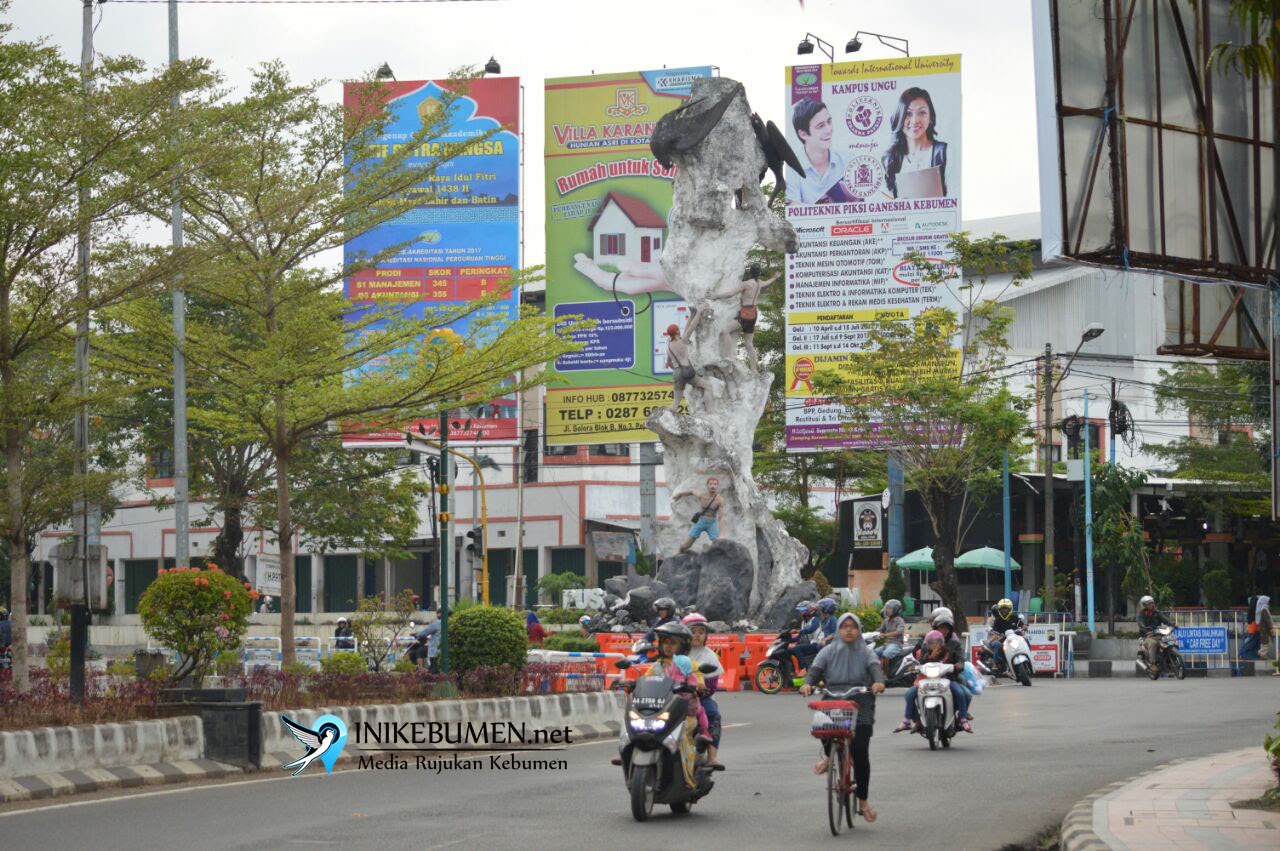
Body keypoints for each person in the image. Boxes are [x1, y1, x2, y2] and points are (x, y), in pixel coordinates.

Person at [799, 613, 885, 824]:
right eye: (844, 626)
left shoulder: (866, 652)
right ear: (838, 629)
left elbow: (876, 670)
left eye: (853, 627)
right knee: (823, 728)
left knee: (859, 750)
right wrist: (808, 683)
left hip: (861, 698)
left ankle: (863, 803)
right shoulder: (828, 651)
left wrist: (878, 682)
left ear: (859, 630)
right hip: (834, 696)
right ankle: (830, 757)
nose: (848, 630)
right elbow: (815, 671)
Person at [896, 609, 973, 732]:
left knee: (965, 694)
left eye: (946, 628)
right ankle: (916, 721)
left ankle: (960, 718)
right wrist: (917, 664)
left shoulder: (954, 644)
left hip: (948, 677)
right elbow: (918, 658)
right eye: (940, 628)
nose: (943, 631)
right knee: (909, 694)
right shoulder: (926, 642)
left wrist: (958, 665)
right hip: (926, 678)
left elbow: (960, 658)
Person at [644, 622, 714, 751]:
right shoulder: (657, 665)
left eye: (673, 643)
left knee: (693, 721)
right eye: (665, 642)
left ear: (682, 646)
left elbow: (698, 679)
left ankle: (699, 743)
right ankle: (629, 749)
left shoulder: (689, 664)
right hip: (659, 707)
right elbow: (644, 679)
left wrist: (699, 686)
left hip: (684, 709)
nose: (668, 646)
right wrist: (630, 683)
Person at [881, 87, 948, 199]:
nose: (915, 120)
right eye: (908, 113)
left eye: (922, 113)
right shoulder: (891, 159)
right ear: (899, 117)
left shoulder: (945, 152)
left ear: (930, 117)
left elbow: (954, 199)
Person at [785, 98, 849, 205]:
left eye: (829, 122)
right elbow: (792, 207)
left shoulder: (846, 160)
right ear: (803, 134)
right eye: (821, 126)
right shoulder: (791, 168)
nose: (829, 129)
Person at [683, 613, 725, 768]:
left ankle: (711, 756)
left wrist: (699, 691)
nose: (697, 635)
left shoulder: (710, 656)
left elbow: (712, 686)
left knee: (713, 714)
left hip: (699, 698)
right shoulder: (677, 653)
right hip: (673, 696)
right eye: (693, 631)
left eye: (701, 632)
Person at [671, 477, 725, 553]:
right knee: (687, 544)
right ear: (707, 485)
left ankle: (708, 553)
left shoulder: (720, 500)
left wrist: (722, 534)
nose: (713, 486)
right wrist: (680, 494)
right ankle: (679, 551)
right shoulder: (702, 495)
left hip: (712, 523)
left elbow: (721, 517)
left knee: (717, 543)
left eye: (715, 484)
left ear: (717, 486)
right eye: (711, 484)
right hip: (700, 521)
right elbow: (692, 492)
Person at [984, 597, 1026, 672]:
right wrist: (995, 635)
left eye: (1006, 609)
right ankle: (995, 663)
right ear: (999, 610)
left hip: (1014, 638)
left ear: (1010, 609)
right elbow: (995, 631)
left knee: (1025, 639)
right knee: (997, 644)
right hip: (1003, 640)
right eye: (1002, 609)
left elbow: (1022, 624)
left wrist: (1024, 627)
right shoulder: (997, 621)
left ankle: (1027, 655)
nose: (1004, 611)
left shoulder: (1015, 618)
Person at [1136, 595, 1175, 669]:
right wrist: (1146, 630)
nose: (1151, 605)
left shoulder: (1157, 613)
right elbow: (1141, 624)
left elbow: (1165, 619)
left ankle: (1170, 660)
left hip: (1158, 633)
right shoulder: (1140, 615)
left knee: (1169, 640)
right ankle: (1153, 663)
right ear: (1144, 605)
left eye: (1152, 603)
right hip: (1147, 636)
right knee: (1153, 643)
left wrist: (1173, 624)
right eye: (1149, 603)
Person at [876, 599, 906, 672]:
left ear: (895, 610)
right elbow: (880, 630)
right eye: (886, 608)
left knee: (885, 655)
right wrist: (870, 634)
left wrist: (885, 635)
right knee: (872, 653)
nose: (887, 610)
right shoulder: (886, 620)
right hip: (886, 644)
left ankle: (885, 675)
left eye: (889, 608)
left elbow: (899, 632)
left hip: (896, 644)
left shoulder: (900, 620)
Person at [1242, 595, 1273, 661]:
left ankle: (1255, 654)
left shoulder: (1259, 609)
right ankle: (1246, 654)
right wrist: (1270, 628)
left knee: (1258, 642)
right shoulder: (1263, 609)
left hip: (1258, 629)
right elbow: (1266, 620)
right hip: (1259, 629)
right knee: (1253, 642)